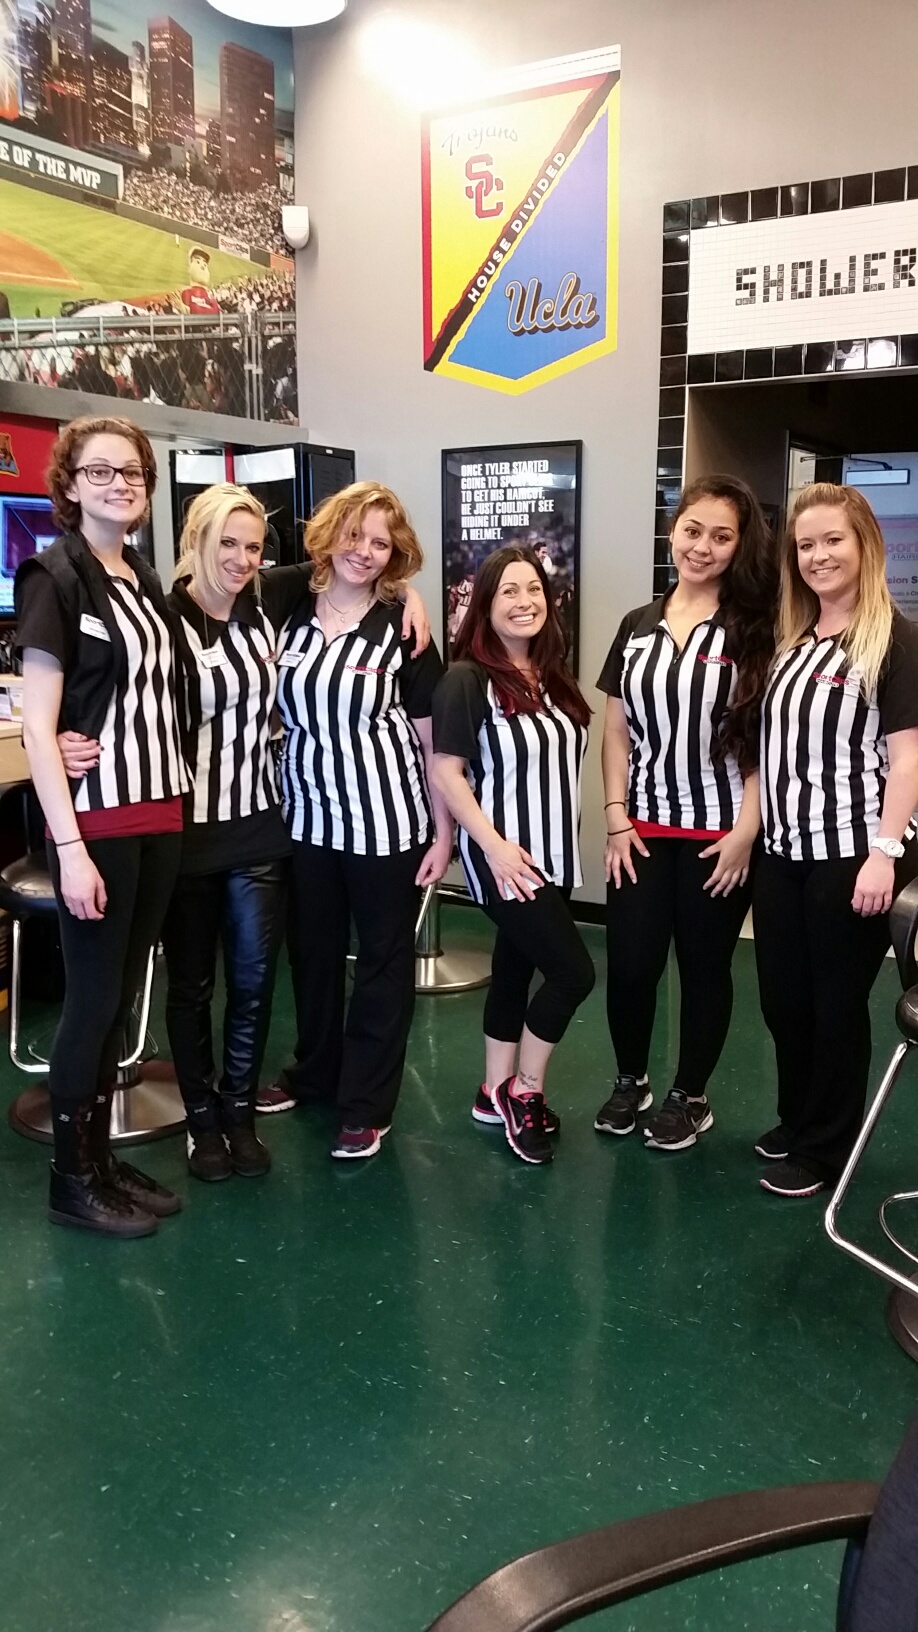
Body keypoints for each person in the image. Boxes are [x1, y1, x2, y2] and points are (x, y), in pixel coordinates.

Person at [59, 484, 289, 1183]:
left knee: (253, 983)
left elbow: (343, 566)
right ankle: (201, 1120)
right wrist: (62, 732)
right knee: (191, 986)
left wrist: (409, 597)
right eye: (228, 543)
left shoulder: (264, 610)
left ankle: (239, 1113)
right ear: (197, 541)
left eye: (253, 547)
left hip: (258, 826)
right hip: (184, 828)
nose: (242, 558)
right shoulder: (163, 616)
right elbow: (106, 683)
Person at [15, 416, 186, 1237]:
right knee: (91, 999)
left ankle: (102, 1158)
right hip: (100, 820)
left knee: (120, 992)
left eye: (133, 472)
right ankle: (70, 1178)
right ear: (71, 484)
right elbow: (37, 725)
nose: (120, 484)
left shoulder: (144, 578)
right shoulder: (53, 576)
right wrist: (71, 849)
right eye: (101, 471)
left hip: (161, 812)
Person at [255, 482, 452, 1159]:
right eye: (354, 535)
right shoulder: (288, 605)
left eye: (381, 544)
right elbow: (231, 577)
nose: (364, 552)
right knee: (311, 955)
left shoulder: (402, 627)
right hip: (306, 819)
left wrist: (444, 831)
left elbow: (432, 738)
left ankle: (366, 1103)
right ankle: (314, 1073)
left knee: (381, 963)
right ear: (330, 533)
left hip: (386, 823)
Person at [594, 477, 777, 1151]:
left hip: (719, 833)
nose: (703, 547)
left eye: (721, 537)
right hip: (641, 830)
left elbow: (762, 737)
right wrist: (616, 816)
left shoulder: (754, 628)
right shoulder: (636, 625)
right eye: (693, 530)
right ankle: (631, 1081)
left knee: (704, 968)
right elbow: (616, 732)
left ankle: (689, 1096)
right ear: (673, 530)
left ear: (739, 546)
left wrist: (746, 832)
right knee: (631, 964)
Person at [754, 483, 918, 1197]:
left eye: (832, 541)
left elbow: (909, 759)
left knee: (835, 1006)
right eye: (806, 545)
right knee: (783, 1000)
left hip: (853, 852)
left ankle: (826, 1150)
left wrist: (885, 853)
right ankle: (798, 1121)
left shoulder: (895, 640)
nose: (818, 556)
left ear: (864, 545)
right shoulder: (795, 639)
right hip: (784, 849)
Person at [431, 545, 595, 1167]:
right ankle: (524, 1092)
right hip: (504, 857)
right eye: (509, 592)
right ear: (485, 604)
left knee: (515, 968)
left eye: (533, 590)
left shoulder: (551, 675)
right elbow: (446, 772)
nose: (524, 602)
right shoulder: (467, 678)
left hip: (553, 852)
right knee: (574, 974)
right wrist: (495, 849)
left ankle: (490, 1089)